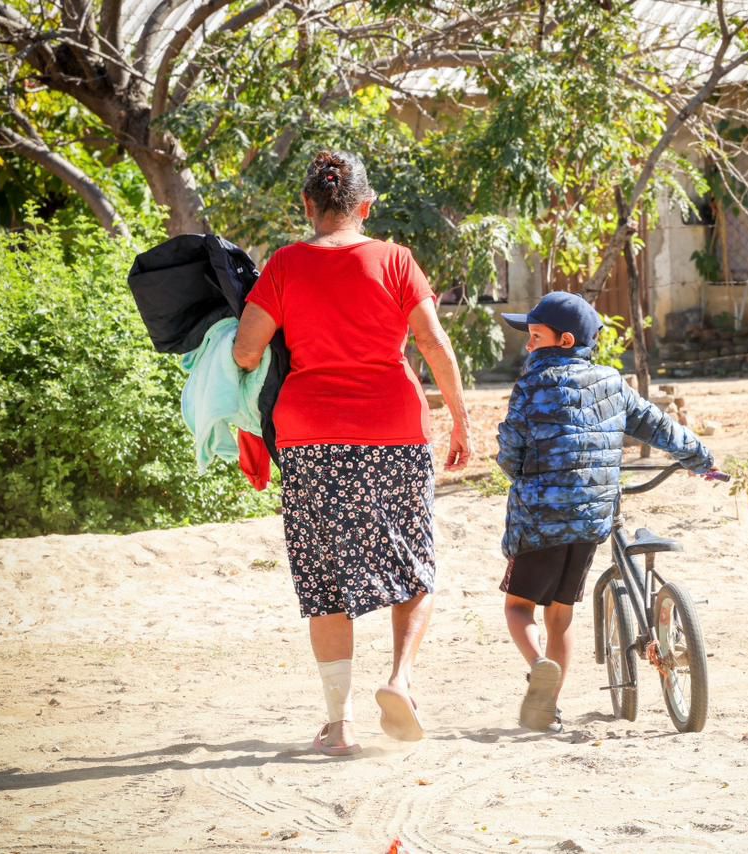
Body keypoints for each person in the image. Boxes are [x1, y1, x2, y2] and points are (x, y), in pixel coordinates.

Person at [233, 150, 473, 756]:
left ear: (309, 208)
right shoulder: (396, 261)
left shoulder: (285, 265)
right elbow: (434, 343)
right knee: (413, 562)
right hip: (393, 431)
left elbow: (245, 352)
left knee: (325, 577)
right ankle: (399, 681)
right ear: (366, 208)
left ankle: (338, 725)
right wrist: (462, 420)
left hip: (311, 436)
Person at [495, 291, 720, 732]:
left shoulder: (530, 386)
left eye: (534, 337)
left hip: (539, 518)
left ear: (563, 342)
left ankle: (539, 666)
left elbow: (510, 453)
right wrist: (702, 460)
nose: (527, 346)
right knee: (560, 615)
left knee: (519, 608)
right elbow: (659, 427)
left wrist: (519, 470)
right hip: (592, 520)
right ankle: (549, 703)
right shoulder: (613, 383)